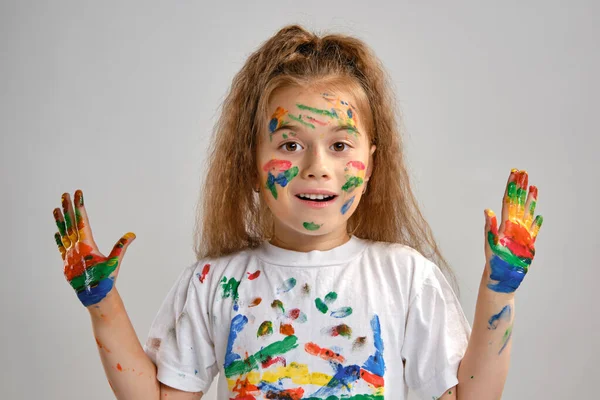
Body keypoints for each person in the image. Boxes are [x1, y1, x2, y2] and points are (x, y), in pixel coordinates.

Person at [53, 24, 543, 400]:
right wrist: (103, 306)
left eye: (339, 145)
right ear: (250, 160)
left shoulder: (405, 276)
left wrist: (498, 292)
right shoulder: (214, 284)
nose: (317, 167)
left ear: (372, 162)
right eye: (291, 143)